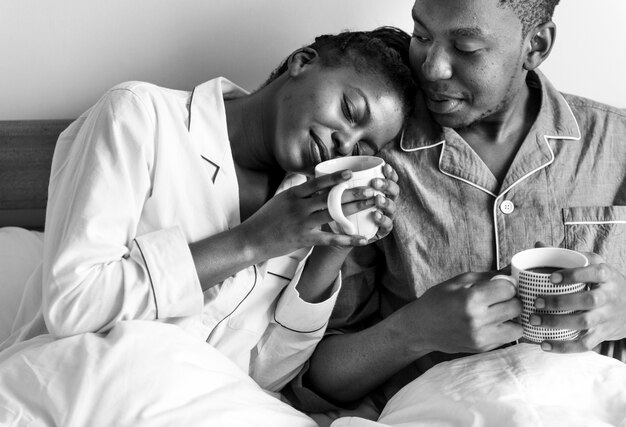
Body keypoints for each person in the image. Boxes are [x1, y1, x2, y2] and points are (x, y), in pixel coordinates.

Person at [0, 26, 416, 395]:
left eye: (363, 147)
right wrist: (253, 241)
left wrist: (332, 247)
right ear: (302, 62)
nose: (346, 144)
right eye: (350, 111)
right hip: (83, 385)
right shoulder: (141, 116)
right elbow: (75, 304)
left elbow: (266, 377)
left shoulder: (305, 203)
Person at [285, 0, 626, 421]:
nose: (431, 68)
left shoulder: (616, 143)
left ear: (535, 45)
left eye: (465, 48)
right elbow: (315, 376)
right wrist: (414, 331)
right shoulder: (371, 161)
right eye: (422, 36)